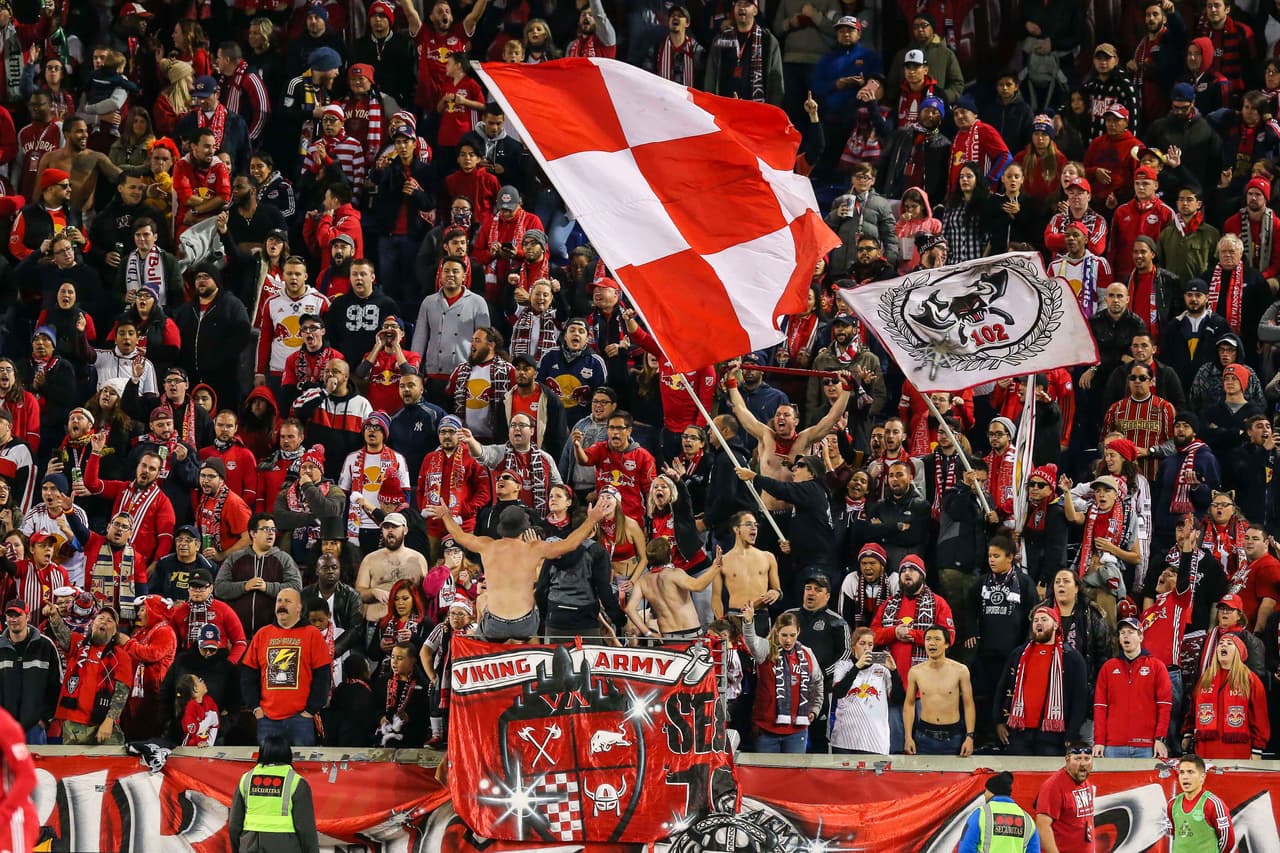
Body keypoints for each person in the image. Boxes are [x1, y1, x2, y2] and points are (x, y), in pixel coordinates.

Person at [425, 500, 607, 642]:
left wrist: (445, 515)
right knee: (536, 603)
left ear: (501, 527)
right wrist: (591, 519)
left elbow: (460, 536)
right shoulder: (533, 548)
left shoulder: (487, 546)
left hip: (494, 626)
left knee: (483, 600)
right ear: (524, 529)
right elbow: (570, 544)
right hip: (525, 625)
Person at [240, 588, 332, 746]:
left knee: (303, 768)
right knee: (269, 769)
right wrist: (255, 708)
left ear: (299, 608)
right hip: (267, 719)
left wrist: (310, 711)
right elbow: (248, 675)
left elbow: (323, 677)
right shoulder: (262, 635)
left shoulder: (312, 635)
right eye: (279, 601)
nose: (281, 605)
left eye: (287, 601)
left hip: (301, 720)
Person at [995, 605, 1090, 755]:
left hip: (1053, 735)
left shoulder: (1072, 657)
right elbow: (1002, 687)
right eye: (1035, 620)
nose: (1038, 623)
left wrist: (1072, 732)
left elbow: (1080, 698)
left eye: (1044, 619)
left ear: (1056, 625)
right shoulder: (1019, 654)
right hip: (1019, 732)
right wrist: (998, 721)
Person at [741, 606, 823, 753]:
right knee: (766, 775)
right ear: (776, 632)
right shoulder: (766, 650)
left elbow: (817, 682)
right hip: (766, 729)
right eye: (784, 635)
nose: (788, 640)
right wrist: (748, 622)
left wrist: (814, 709)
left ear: (798, 632)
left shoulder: (807, 653)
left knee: (793, 775)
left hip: (797, 731)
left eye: (792, 635)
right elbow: (751, 642)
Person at [49, 606, 132, 745]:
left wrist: (109, 721)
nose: (104, 622)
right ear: (93, 624)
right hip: (73, 722)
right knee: (74, 765)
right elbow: (61, 633)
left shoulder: (121, 656)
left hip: (103, 724)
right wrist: (54, 616)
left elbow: (121, 694)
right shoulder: (77, 643)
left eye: (110, 621)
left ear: (115, 632)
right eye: (100, 618)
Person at [1092, 616, 1172, 758]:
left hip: (1146, 746)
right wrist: (1099, 741)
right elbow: (1100, 707)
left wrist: (1160, 739)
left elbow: (1164, 706)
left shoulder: (1157, 667)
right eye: (1122, 633)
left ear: (1141, 637)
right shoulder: (1108, 668)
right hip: (1113, 745)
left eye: (1130, 632)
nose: (1125, 636)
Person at [229, 733, 320, 853]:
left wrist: (238, 848)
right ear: (288, 754)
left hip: (250, 843)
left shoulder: (246, 779)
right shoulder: (296, 782)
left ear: (262, 753)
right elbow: (305, 828)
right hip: (285, 845)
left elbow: (234, 824)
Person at [903, 625, 976, 756]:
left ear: (947, 644)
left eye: (937, 639)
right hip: (924, 736)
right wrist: (908, 737)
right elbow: (909, 704)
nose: (932, 643)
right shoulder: (915, 672)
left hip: (953, 737)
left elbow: (969, 704)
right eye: (928, 639)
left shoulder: (960, 670)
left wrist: (969, 736)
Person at [0, 599, 61, 743]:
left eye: (18, 615)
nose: (13, 620)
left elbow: (56, 686)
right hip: (4, 727)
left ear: (28, 617)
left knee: (36, 765)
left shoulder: (45, 646)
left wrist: (45, 719)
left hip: (35, 728)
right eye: (10, 615)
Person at [957, 772, 1040, 853]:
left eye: (986, 791)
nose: (985, 795)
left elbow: (966, 849)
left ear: (991, 792)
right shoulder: (1027, 819)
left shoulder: (981, 814)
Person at [1166, 753, 1235, 852]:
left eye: (1190, 772)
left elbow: (1228, 841)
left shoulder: (1213, 804)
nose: (1185, 777)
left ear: (1202, 777)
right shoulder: (1172, 804)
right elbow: (1173, 833)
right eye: (1182, 772)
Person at [1034, 744, 1095, 853]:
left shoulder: (1085, 781)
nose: (1083, 764)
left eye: (1087, 759)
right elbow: (1042, 827)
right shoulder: (1054, 786)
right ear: (1067, 760)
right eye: (1077, 759)